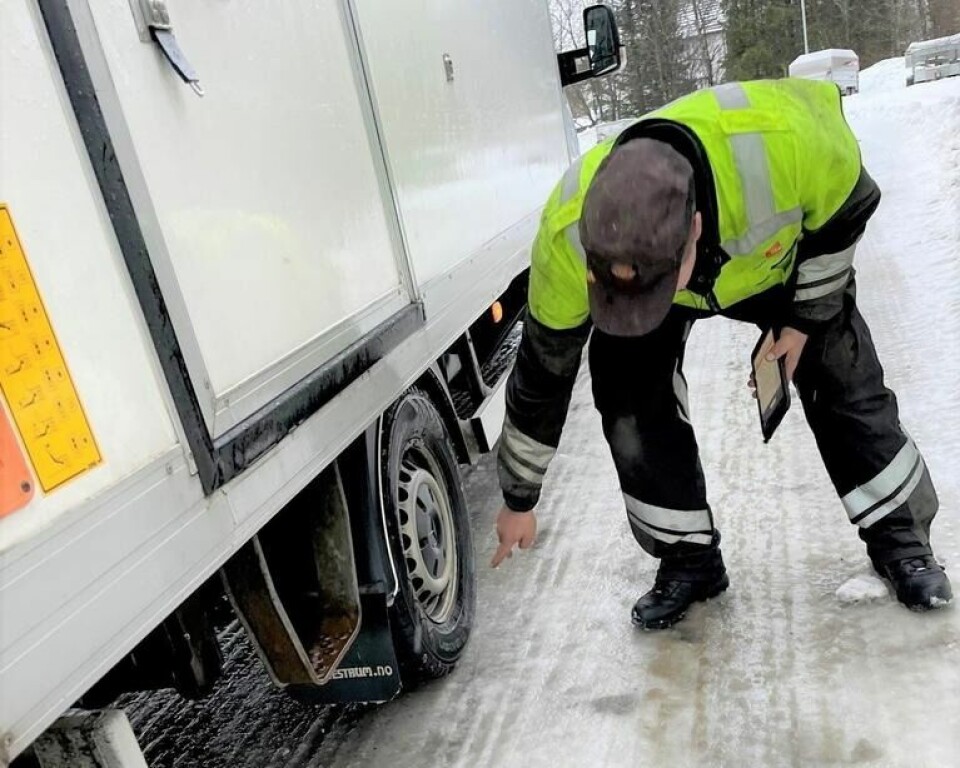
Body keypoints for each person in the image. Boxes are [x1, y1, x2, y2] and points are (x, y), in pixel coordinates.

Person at [490, 77, 952, 629]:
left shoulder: (786, 146)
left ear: (695, 229)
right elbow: (543, 372)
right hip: (681, 268)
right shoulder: (566, 236)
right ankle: (689, 560)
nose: (640, 309)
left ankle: (901, 539)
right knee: (626, 387)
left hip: (774, 264)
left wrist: (804, 320)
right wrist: (519, 498)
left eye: (655, 289)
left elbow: (847, 211)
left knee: (839, 368)